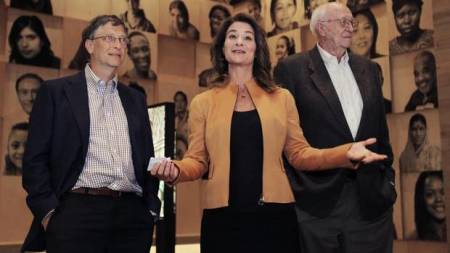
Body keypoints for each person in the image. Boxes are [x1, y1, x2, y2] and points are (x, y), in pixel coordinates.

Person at [150, 13, 388, 253]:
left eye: (247, 37)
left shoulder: (281, 97)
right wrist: (175, 170)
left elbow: (300, 154)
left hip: (276, 218)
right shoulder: (203, 102)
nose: (239, 42)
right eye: (232, 37)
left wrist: (345, 153)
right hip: (222, 220)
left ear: (257, 48)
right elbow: (197, 161)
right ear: (223, 48)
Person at [21, 15, 160, 253]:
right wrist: (49, 214)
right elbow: (35, 159)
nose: (118, 45)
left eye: (122, 40)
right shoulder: (56, 92)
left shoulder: (136, 99)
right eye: (109, 38)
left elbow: (147, 156)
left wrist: (149, 209)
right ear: (89, 45)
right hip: (76, 213)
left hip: (132, 216)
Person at [274, 3, 396, 253]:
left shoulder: (370, 69)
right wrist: (297, 192)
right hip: (317, 204)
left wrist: (388, 183)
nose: (351, 27)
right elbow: (283, 137)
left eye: (352, 22)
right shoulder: (292, 69)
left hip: (371, 200)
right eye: (343, 22)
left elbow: (381, 131)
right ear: (321, 28)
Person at [414, 171, 446, 241]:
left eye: (443, 192)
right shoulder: (414, 241)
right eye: (430, 194)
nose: (438, 199)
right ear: (422, 199)